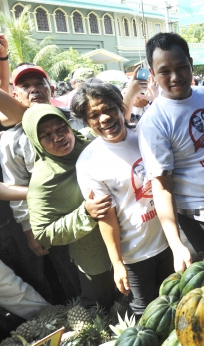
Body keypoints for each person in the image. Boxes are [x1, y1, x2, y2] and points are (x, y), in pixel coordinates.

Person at [72, 82, 177, 316]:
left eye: (108, 109)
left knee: (178, 301)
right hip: (136, 256)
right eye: (94, 115)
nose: (104, 118)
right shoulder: (89, 163)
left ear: (121, 107)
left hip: (171, 242)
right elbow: (106, 217)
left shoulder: (145, 135)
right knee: (147, 314)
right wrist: (118, 263)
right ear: (88, 123)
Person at [0, 63, 81, 303]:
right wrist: (29, 229)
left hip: (93, 210)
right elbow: (14, 182)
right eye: (25, 86)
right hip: (53, 221)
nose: (34, 90)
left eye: (39, 83)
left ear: (51, 88)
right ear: (15, 95)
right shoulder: (12, 140)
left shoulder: (73, 119)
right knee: (71, 277)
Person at [22, 104, 115, 308]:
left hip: (129, 238)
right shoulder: (43, 180)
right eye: (46, 135)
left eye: (60, 128)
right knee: (101, 305)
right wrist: (85, 214)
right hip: (95, 254)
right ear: (36, 141)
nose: (58, 137)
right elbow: (42, 232)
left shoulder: (91, 141)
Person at [138, 32, 204, 257]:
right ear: (153, 74)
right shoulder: (154, 122)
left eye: (181, 66)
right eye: (164, 71)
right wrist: (176, 244)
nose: (175, 76)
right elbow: (162, 186)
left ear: (191, 64)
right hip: (194, 221)